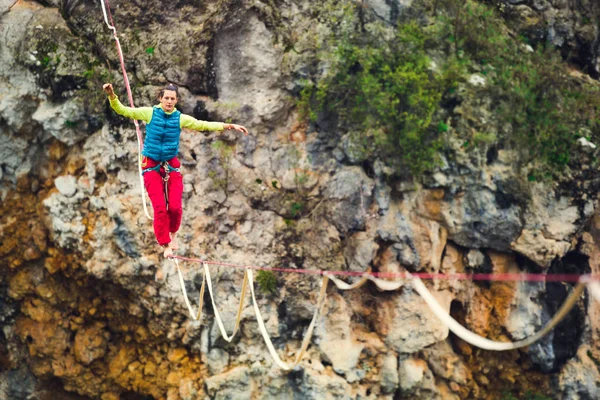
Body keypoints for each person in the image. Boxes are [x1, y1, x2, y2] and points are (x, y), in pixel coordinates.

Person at [102, 82, 248, 258]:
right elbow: (124, 110)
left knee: (176, 207)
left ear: (176, 100)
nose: (169, 101)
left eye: (172, 99)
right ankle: (166, 245)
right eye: (166, 98)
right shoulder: (149, 113)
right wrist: (112, 95)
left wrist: (228, 126)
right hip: (151, 166)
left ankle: (174, 234)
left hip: (170, 165)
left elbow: (202, 124)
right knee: (160, 208)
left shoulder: (180, 118)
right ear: (160, 99)